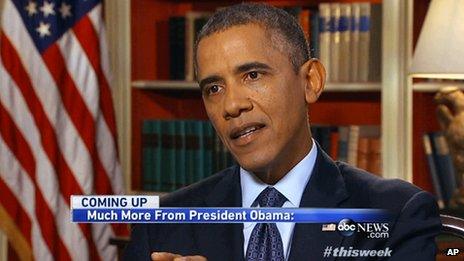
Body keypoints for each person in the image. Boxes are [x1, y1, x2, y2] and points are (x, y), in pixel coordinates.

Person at [124, 3, 441, 261]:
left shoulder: (397, 214)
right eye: (214, 88)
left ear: (310, 81)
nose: (231, 105)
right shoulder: (161, 224)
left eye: (252, 75)